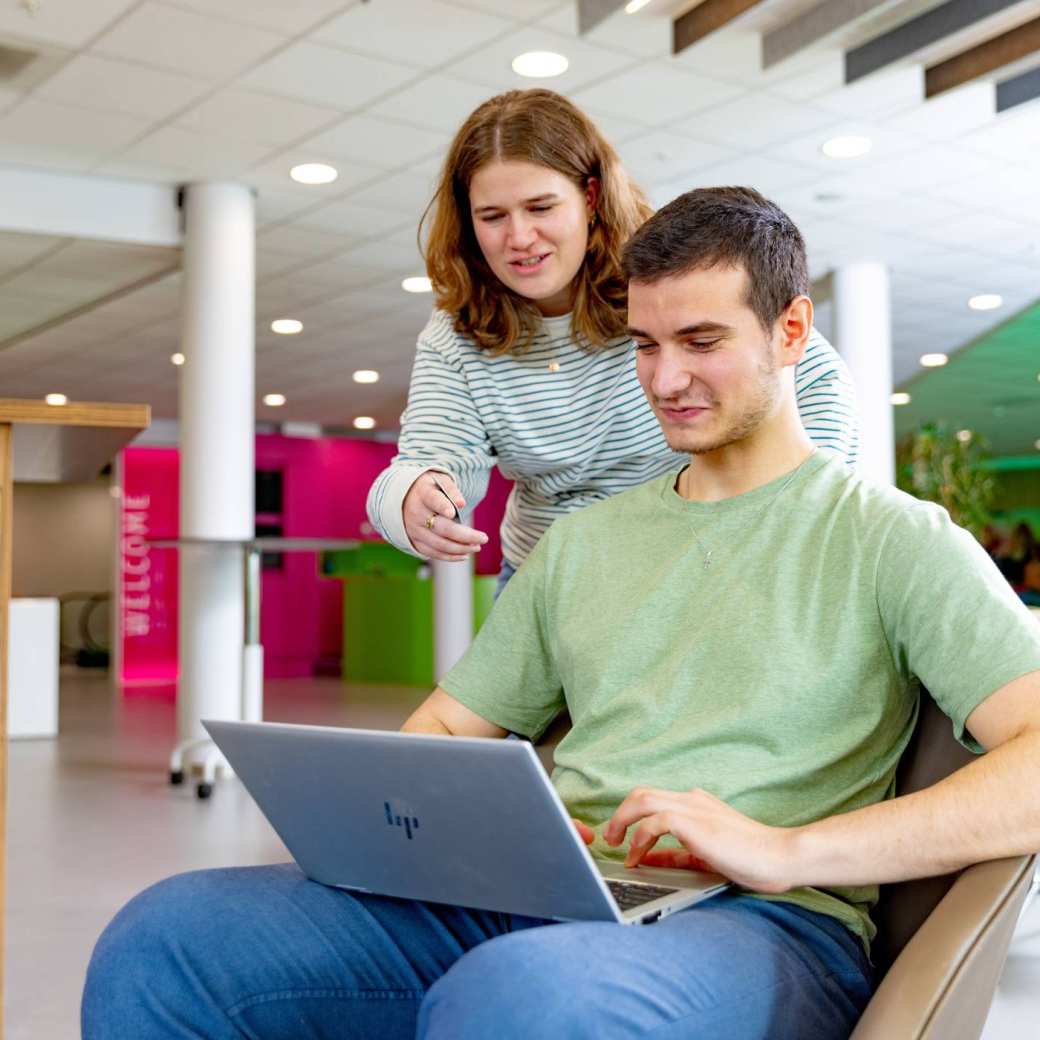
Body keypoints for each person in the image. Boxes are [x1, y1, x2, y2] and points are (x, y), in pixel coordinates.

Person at [82, 188, 1040, 1039]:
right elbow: (450, 725)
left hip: (764, 926)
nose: (666, 381)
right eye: (646, 345)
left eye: (702, 342)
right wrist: (408, 825)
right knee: (168, 937)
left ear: (790, 333)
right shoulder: (581, 544)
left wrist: (788, 849)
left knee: (529, 999)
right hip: (547, 898)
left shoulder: (893, 538)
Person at [366, 89, 858, 593]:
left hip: (679, 563)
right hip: (546, 574)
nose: (519, 237)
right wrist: (413, 497)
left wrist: (793, 509)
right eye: (492, 216)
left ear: (591, 197)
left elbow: (817, 376)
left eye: (540, 207)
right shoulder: (457, 332)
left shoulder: (656, 281)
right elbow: (429, 461)